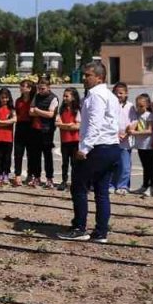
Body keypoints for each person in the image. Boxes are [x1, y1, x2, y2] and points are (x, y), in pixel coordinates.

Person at [60, 61, 122, 243]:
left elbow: (95, 124)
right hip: (111, 147)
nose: (84, 78)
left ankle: (80, 227)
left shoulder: (96, 96)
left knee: (79, 186)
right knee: (102, 191)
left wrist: (84, 148)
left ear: (99, 77)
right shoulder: (110, 96)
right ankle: (101, 232)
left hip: (97, 148)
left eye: (88, 75)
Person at [27, 78, 58, 188]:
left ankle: (49, 178)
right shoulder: (36, 96)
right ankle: (37, 177)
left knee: (47, 155)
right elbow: (30, 112)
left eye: (43, 88)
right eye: (39, 88)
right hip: (35, 129)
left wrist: (37, 110)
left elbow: (50, 114)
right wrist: (40, 112)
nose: (40, 90)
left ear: (49, 87)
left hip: (47, 130)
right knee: (36, 155)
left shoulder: (53, 98)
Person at [130, 93, 153, 196]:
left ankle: (152, 187)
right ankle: (145, 185)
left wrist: (135, 133)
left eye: (141, 106)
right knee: (145, 166)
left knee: (151, 167)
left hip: (149, 145)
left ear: (147, 105)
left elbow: (149, 131)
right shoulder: (138, 115)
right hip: (141, 145)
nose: (139, 108)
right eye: (137, 105)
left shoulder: (149, 115)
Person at [113, 82, 136, 195]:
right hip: (113, 138)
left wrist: (126, 133)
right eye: (116, 93)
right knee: (112, 164)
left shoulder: (130, 106)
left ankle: (123, 185)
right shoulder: (111, 104)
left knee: (125, 165)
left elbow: (134, 121)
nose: (118, 95)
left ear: (126, 94)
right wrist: (115, 134)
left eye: (121, 93)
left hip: (126, 140)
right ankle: (111, 185)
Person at [12, 79, 36, 186]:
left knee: (31, 153)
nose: (21, 88)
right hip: (20, 126)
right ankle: (17, 175)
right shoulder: (18, 100)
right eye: (21, 86)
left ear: (29, 88)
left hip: (31, 126)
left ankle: (30, 175)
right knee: (18, 152)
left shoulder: (34, 100)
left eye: (23, 86)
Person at [57, 88, 81, 188]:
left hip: (74, 140)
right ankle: (64, 181)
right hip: (65, 140)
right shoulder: (62, 109)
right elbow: (57, 123)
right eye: (64, 96)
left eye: (67, 96)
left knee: (74, 163)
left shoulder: (77, 110)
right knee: (65, 162)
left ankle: (75, 181)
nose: (64, 98)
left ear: (73, 97)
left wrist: (64, 125)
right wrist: (68, 126)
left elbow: (77, 126)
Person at [0, 87, 16, 185]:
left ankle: (6, 174)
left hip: (8, 138)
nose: (4, 100)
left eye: (6, 98)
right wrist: (6, 123)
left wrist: (1, 122)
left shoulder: (11, 109)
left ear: (9, 98)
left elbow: (14, 120)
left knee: (7, 157)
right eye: (2, 98)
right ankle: (0, 174)